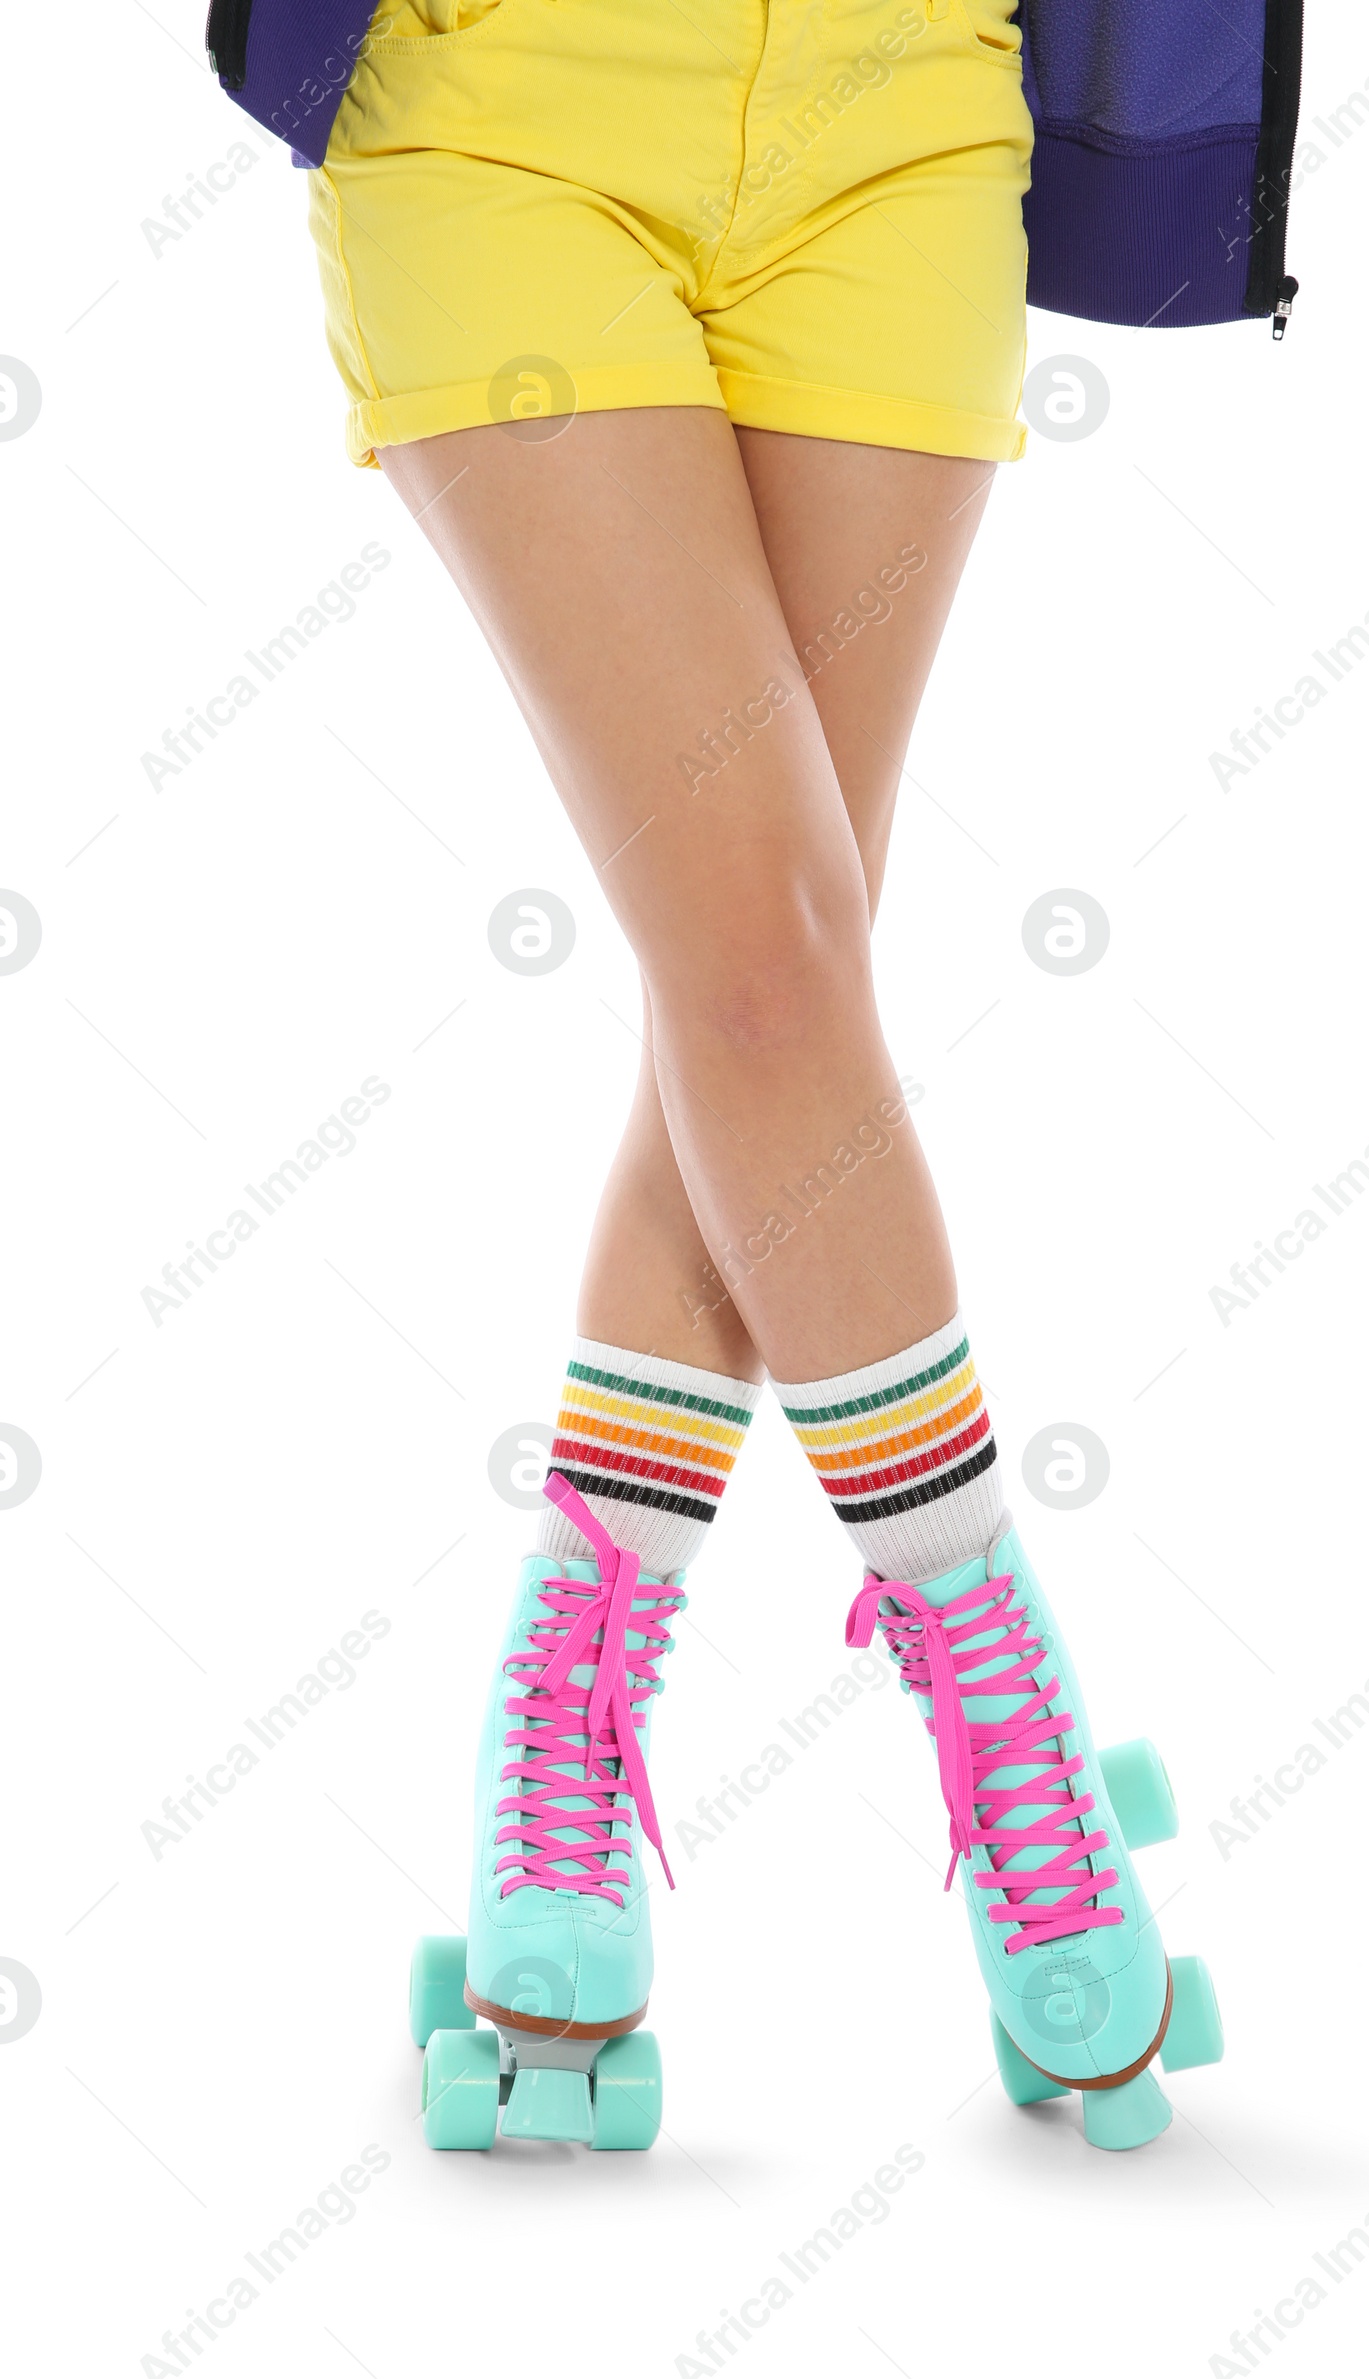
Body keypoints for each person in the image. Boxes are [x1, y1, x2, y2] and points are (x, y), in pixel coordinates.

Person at [234, 0, 1244, 2151]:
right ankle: (1011, 1722)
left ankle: (567, 1739)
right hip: (504, 107)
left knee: (757, 992)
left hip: (902, 114)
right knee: (769, 964)